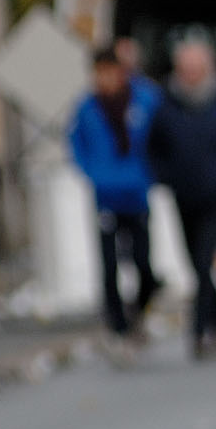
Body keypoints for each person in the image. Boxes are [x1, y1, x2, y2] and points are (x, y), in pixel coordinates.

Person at [147, 38, 216, 359]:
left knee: (206, 257)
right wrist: (165, 177)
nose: (192, 75)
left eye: (197, 69)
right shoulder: (167, 103)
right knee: (194, 262)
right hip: (184, 194)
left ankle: (198, 331)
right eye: (186, 69)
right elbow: (154, 147)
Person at [69, 47, 164, 347]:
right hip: (106, 195)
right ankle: (118, 326)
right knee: (109, 266)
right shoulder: (87, 108)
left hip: (136, 192)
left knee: (143, 264)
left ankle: (138, 310)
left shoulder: (144, 100)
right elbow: (76, 144)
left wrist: (152, 172)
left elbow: (162, 135)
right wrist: (92, 173)